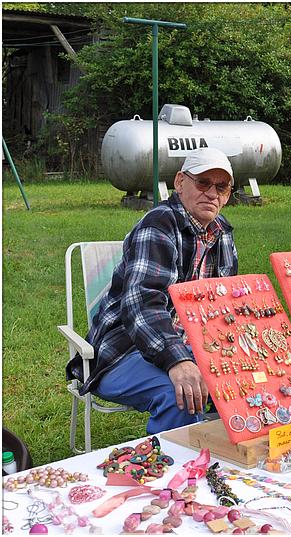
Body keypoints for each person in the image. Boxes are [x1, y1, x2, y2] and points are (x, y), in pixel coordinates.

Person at [66, 147, 238, 434]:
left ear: (228, 194)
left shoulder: (222, 233)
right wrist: (179, 360)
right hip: (124, 350)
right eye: (203, 182)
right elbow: (141, 306)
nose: (212, 193)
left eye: (221, 187)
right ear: (180, 182)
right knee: (180, 397)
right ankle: (173, 473)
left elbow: (223, 307)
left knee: (251, 381)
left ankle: (226, 465)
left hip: (190, 345)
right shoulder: (158, 225)